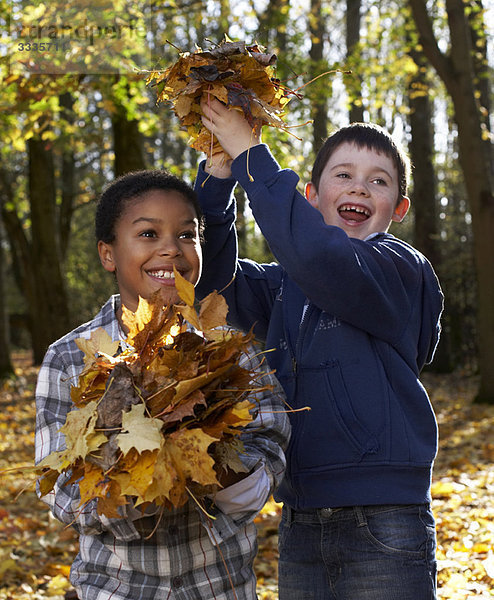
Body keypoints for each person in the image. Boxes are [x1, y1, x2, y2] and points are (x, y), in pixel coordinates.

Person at [194, 97, 444, 600]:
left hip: (384, 518)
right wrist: (218, 187)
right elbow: (214, 287)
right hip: (303, 516)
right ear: (310, 197)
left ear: (398, 208)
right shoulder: (288, 285)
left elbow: (323, 260)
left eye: (379, 181)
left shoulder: (399, 268)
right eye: (343, 175)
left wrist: (253, 156)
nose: (359, 187)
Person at [34, 169, 290, 600]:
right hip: (114, 589)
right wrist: (139, 475)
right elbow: (61, 487)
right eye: (149, 234)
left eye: (187, 235)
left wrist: (210, 459)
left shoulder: (232, 353)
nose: (172, 248)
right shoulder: (69, 359)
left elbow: (271, 445)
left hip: (219, 587)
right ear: (108, 254)